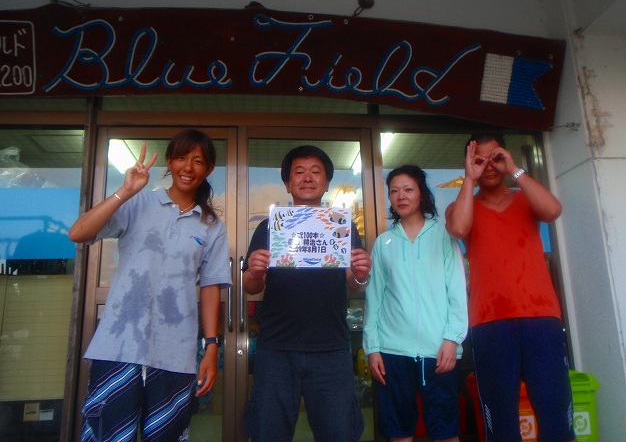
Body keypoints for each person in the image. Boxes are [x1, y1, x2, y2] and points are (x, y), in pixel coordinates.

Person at [69, 129, 231, 442]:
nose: (188, 167)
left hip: (176, 352)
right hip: (119, 345)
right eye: (181, 158)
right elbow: (78, 233)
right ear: (169, 162)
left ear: (209, 169)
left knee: (166, 435)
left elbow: (211, 286)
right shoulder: (138, 202)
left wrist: (211, 346)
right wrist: (125, 190)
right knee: (111, 436)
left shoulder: (211, 225)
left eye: (198, 161)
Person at [445, 134, 576, 442]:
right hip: (490, 322)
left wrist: (515, 170)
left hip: (541, 318)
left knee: (556, 417)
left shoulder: (524, 197)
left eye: (495, 157)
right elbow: (459, 228)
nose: (489, 166)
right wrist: (469, 178)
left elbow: (553, 211)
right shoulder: (462, 206)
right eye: (480, 160)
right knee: (501, 425)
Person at [242, 145, 372, 442]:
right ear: (288, 184)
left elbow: (354, 283)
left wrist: (362, 274)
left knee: (339, 434)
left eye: (316, 172)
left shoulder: (342, 226)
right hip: (276, 348)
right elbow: (252, 286)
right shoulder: (269, 227)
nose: (308, 178)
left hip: (331, 349)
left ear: (326, 183)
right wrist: (254, 272)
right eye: (299, 172)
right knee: (268, 434)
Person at [364, 165, 468, 442]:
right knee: (399, 433)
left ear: (422, 193)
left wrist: (452, 338)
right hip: (392, 352)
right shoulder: (383, 243)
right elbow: (374, 298)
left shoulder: (444, 237)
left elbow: (457, 291)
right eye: (394, 191)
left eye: (408, 189)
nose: (401, 196)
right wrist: (372, 348)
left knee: (446, 432)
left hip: (440, 351)